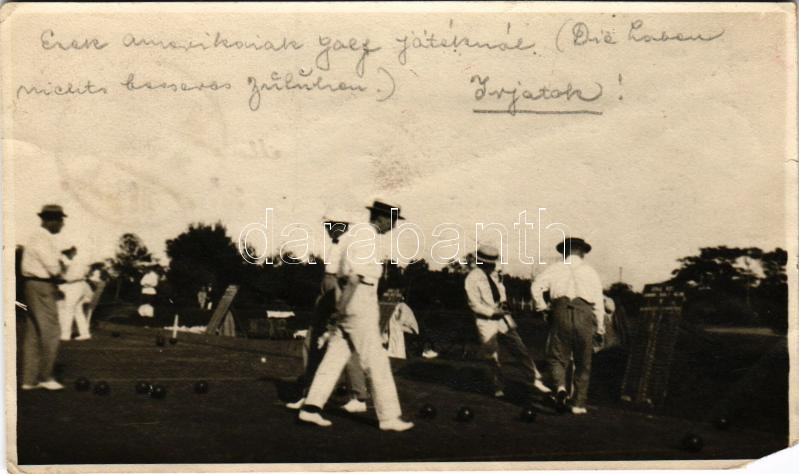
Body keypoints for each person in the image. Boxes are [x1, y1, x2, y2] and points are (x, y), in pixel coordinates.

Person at [298, 200, 414, 431]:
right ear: (382, 218)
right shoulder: (367, 236)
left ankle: (310, 408)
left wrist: (340, 310)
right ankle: (389, 417)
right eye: (392, 220)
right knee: (376, 360)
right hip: (359, 302)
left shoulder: (355, 234)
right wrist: (342, 309)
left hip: (352, 302)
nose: (394, 226)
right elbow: (353, 278)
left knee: (335, 357)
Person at [285, 207, 369, 413]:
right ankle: (309, 393)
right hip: (328, 291)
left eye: (330, 225)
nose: (327, 228)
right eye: (327, 225)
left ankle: (358, 396)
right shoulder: (337, 243)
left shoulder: (351, 244)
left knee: (343, 345)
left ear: (342, 225)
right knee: (312, 342)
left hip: (340, 293)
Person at [465, 244, 551, 398]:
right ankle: (497, 386)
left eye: (493, 262)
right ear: (480, 262)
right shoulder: (472, 278)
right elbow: (474, 304)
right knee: (492, 355)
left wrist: (504, 304)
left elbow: (500, 290)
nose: (491, 265)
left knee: (520, 348)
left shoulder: (494, 274)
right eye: (488, 262)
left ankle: (535, 379)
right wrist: (492, 312)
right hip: (486, 320)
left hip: (503, 318)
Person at [531, 237, 604, 415]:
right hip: (585, 314)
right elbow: (599, 303)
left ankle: (560, 388)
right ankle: (578, 404)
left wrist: (542, 307)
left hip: (560, 311)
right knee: (583, 361)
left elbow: (535, 287)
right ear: (582, 252)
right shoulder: (590, 271)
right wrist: (600, 327)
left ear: (564, 252)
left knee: (557, 356)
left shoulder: (555, 268)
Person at [20, 204, 68, 390]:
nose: (62, 224)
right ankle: (45, 377)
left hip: (32, 285)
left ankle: (29, 379)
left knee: (34, 333)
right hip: (42, 285)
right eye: (61, 220)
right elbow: (53, 267)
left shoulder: (37, 237)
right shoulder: (43, 237)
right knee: (51, 330)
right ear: (52, 221)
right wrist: (61, 272)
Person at [57, 246, 93, 341]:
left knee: (68, 310)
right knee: (78, 311)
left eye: (67, 253)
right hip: (80, 285)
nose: (66, 255)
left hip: (74, 285)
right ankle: (85, 333)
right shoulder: (80, 262)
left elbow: (66, 276)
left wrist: (62, 273)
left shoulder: (73, 263)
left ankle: (65, 334)